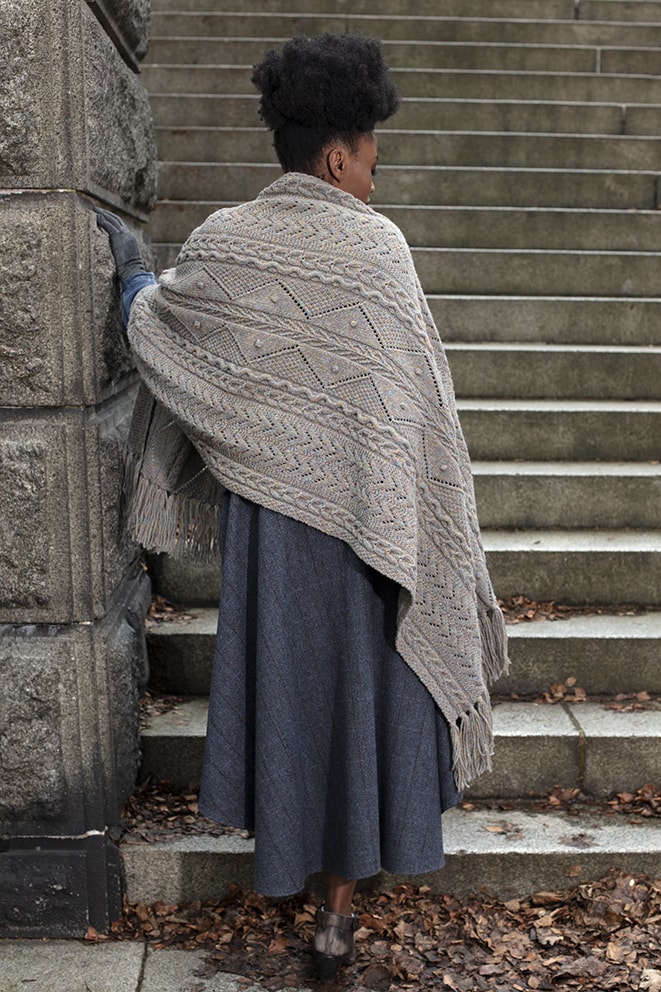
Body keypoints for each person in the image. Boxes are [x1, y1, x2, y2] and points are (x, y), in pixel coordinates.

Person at [96, 32, 508, 984]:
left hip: (278, 528)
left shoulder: (224, 244)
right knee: (358, 707)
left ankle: (295, 874)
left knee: (292, 697)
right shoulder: (378, 253)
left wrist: (132, 283)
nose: (374, 175)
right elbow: (421, 420)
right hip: (366, 530)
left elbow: (163, 330)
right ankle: (335, 913)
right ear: (335, 156)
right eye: (370, 155)